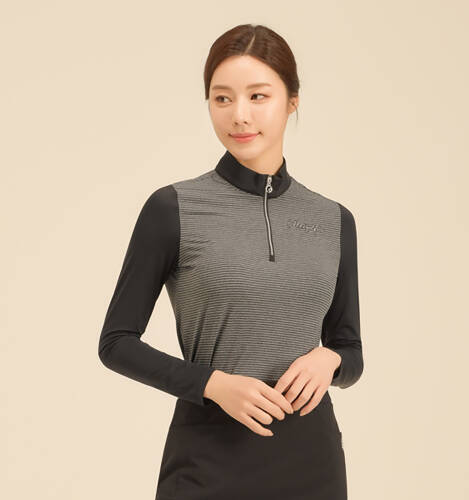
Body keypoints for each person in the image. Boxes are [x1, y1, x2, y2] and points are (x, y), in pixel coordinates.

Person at [98, 23, 363, 500]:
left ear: (292, 100)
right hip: (208, 459)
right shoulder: (173, 208)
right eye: (222, 98)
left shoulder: (333, 219)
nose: (239, 115)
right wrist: (213, 384)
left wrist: (331, 359)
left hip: (312, 461)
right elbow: (116, 343)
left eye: (258, 96)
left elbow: (350, 349)